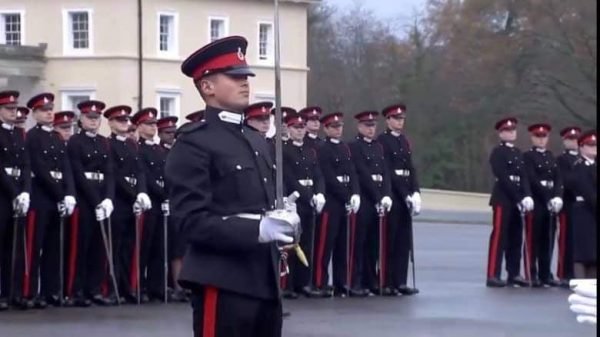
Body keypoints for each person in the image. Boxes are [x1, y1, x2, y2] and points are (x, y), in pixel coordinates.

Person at [166, 36, 300, 337]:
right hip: (223, 281)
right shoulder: (194, 143)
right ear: (207, 86)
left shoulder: (255, 140)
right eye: (235, 76)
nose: (245, 82)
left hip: (265, 281)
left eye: (246, 76)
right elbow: (191, 222)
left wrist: (284, 220)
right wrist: (258, 230)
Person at [25, 93, 77, 308]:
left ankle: (50, 291)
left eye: (50, 109)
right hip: (42, 197)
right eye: (44, 110)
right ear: (35, 113)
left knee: (54, 248)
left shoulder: (56, 138)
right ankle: (32, 292)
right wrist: (60, 194)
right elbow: (39, 168)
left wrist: (69, 194)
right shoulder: (32, 137)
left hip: (59, 198)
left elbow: (66, 168)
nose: (48, 113)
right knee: (36, 246)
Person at [66, 100, 115, 307]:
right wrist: (95, 201)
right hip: (85, 199)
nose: (94, 122)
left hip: (101, 197)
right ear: (81, 119)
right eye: (89, 118)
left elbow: (110, 171)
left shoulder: (104, 142)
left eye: (97, 119)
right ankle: (78, 290)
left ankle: (94, 288)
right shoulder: (75, 142)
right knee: (82, 245)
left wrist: (108, 199)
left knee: (99, 247)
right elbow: (77, 172)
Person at [105, 105, 152, 304]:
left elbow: (140, 170)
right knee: (114, 247)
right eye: (120, 121)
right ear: (111, 124)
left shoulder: (133, 146)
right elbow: (114, 174)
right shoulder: (108, 145)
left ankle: (127, 287)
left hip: (133, 202)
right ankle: (112, 287)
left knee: (128, 248)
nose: (125, 124)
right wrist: (134, 194)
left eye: (126, 121)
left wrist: (141, 192)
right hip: (119, 201)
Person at [314, 112, 360, 297]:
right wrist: (346, 196)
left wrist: (356, 193)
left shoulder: (345, 148)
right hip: (332, 202)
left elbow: (353, 172)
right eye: (333, 127)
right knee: (326, 246)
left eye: (339, 126)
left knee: (344, 245)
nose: (337, 130)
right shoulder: (323, 149)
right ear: (326, 128)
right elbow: (329, 177)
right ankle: (321, 282)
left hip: (346, 201)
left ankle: (342, 282)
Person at [377, 104, 420, 295]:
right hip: (393, 195)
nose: (399, 122)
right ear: (388, 120)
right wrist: (405, 194)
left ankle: (400, 281)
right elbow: (389, 172)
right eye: (395, 118)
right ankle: (386, 281)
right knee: (390, 241)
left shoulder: (405, 141)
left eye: (401, 118)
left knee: (404, 241)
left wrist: (416, 191)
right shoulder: (382, 141)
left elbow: (411, 168)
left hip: (406, 196)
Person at [282, 112, 325, 299]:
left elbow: (318, 174)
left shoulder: (310, 150)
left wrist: (319, 193)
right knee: (292, 244)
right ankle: (289, 284)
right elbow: (289, 177)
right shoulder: (285, 150)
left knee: (308, 242)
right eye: (295, 128)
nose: (299, 132)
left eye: (301, 128)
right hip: (295, 200)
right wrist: (308, 196)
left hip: (310, 201)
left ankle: (304, 282)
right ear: (289, 129)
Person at [485, 117, 533, 288]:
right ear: (501, 133)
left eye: (513, 130)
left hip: (518, 199)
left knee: (516, 237)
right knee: (499, 237)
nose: (511, 133)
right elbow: (504, 177)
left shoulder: (518, 153)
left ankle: (514, 273)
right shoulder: (498, 152)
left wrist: (527, 195)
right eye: (507, 130)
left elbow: (524, 177)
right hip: (503, 198)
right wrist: (519, 197)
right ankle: (493, 274)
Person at [349, 111, 392, 297]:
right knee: (360, 242)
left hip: (378, 198)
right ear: (359, 126)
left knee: (374, 244)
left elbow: (385, 172)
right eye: (367, 125)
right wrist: (377, 197)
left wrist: (387, 195)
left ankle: (371, 279)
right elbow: (363, 174)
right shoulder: (355, 147)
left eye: (373, 125)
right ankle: (356, 281)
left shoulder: (378, 147)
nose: (370, 129)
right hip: (366, 198)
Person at [132, 108, 169, 302]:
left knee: (159, 247)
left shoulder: (159, 149)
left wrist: (168, 196)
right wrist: (162, 194)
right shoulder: (139, 148)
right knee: (144, 246)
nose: (153, 127)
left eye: (154, 124)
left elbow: (167, 174)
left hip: (162, 201)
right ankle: (140, 284)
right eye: (148, 124)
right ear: (138, 126)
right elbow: (144, 174)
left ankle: (157, 286)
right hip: (149, 201)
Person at [0, 90, 31, 311]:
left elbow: (27, 166)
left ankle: (15, 292)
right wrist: (14, 193)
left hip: (19, 192)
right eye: (9, 109)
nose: (13, 112)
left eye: (15, 109)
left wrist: (26, 192)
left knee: (17, 245)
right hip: (3, 194)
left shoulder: (20, 134)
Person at [522, 123, 563, 287]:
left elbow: (559, 179)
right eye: (538, 136)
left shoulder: (551, 157)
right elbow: (532, 179)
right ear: (532, 138)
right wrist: (548, 197)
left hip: (551, 202)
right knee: (533, 240)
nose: (541, 140)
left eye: (544, 136)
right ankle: (531, 273)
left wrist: (558, 196)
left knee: (548, 239)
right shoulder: (528, 156)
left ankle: (545, 274)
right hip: (537, 202)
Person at [157, 116, 187, 302]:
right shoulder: (158, 151)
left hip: (179, 202)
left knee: (183, 246)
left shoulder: (178, 152)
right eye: (167, 133)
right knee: (171, 247)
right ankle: (173, 285)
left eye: (173, 133)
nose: (171, 136)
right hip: (164, 201)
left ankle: (183, 285)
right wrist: (164, 196)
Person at [555, 126, 582, 287]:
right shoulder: (561, 160)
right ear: (565, 141)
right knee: (566, 240)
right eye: (570, 139)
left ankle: (576, 271)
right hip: (568, 204)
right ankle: (564, 273)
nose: (574, 142)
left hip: (581, 206)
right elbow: (565, 180)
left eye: (576, 139)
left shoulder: (582, 159)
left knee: (579, 240)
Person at [570, 130, 596, 279]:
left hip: (593, 211)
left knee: (593, 253)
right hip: (584, 211)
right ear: (581, 147)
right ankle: (580, 283)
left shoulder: (594, 165)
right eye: (590, 145)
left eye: (596, 145)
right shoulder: (579, 166)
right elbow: (587, 191)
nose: (594, 147)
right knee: (583, 252)